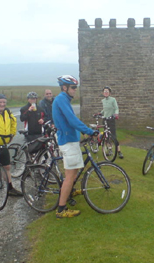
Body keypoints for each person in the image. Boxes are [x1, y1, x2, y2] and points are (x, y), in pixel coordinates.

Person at [52, 75, 99, 219]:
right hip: (67, 140)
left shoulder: (64, 99)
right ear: (64, 87)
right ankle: (61, 209)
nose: (74, 90)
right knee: (70, 176)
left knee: (75, 170)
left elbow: (71, 121)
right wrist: (90, 131)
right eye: (73, 88)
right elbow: (72, 120)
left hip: (70, 139)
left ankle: (70, 192)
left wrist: (83, 132)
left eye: (75, 88)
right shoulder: (61, 99)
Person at [101, 86, 124, 159]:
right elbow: (104, 110)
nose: (106, 92)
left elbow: (116, 108)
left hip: (111, 119)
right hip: (105, 120)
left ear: (109, 93)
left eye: (107, 91)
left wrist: (116, 114)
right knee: (106, 136)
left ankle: (119, 151)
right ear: (103, 93)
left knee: (113, 136)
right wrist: (100, 113)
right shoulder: (103, 101)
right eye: (104, 91)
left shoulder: (113, 100)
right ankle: (110, 150)